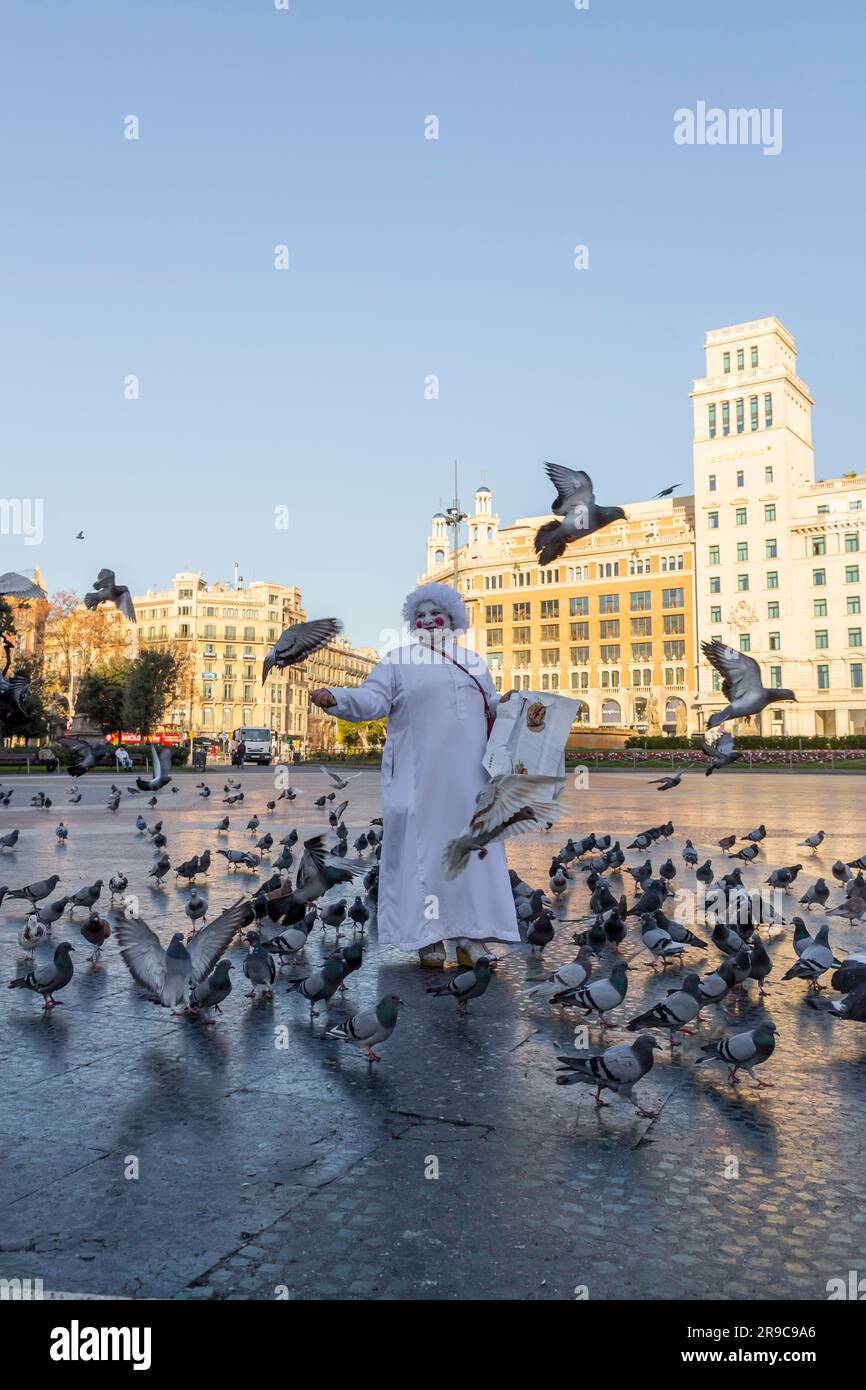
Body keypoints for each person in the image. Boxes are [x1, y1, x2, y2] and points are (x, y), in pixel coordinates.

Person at [310, 582, 519, 969]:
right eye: (419, 615)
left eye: (434, 613)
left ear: (452, 619)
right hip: (418, 780)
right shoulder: (397, 661)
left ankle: (471, 938)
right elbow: (372, 699)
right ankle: (429, 937)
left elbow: (492, 706)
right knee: (425, 856)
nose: (427, 620)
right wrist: (338, 697)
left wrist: (505, 702)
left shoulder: (474, 663)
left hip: (470, 782)